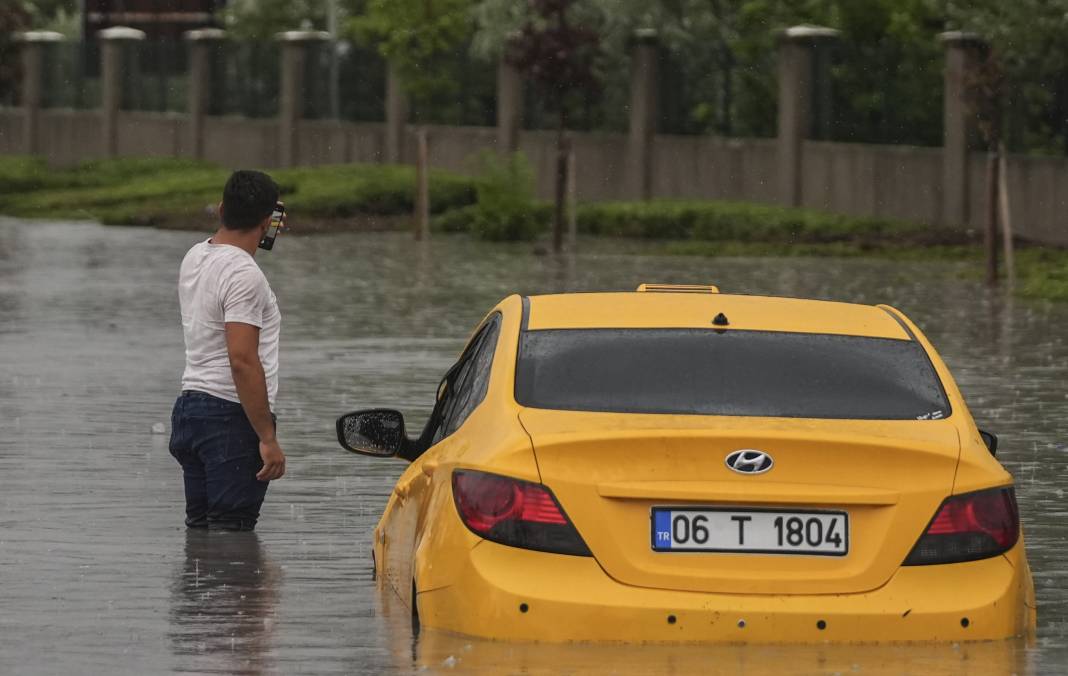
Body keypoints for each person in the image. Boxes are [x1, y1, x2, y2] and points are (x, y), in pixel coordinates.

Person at [168, 170, 286, 531]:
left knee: (204, 537)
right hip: (229, 417)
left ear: (221, 210)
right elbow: (242, 360)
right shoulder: (244, 274)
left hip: (191, 410)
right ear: (269, 223)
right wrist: (267, 437)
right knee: (231, 540)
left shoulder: (195, 256)